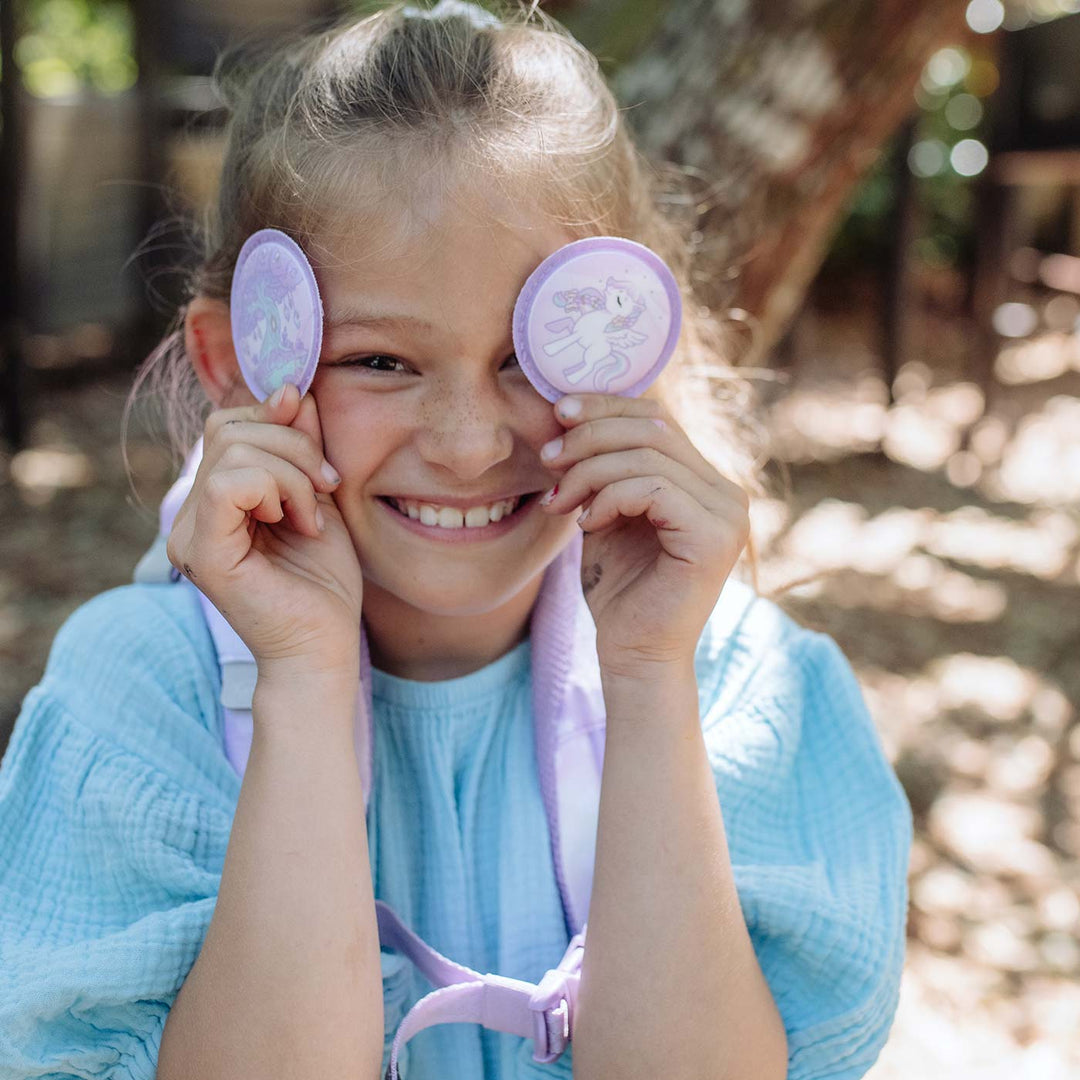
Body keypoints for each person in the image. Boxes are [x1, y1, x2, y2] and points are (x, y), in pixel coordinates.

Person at [0, 2, 912, 1079]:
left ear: (629, 341)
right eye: (381, 361)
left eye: (531, 356)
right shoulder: (139, 702)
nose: (473, 444)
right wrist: (299, 678)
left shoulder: (740, 691)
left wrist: (650, 681)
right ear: (239, 365)